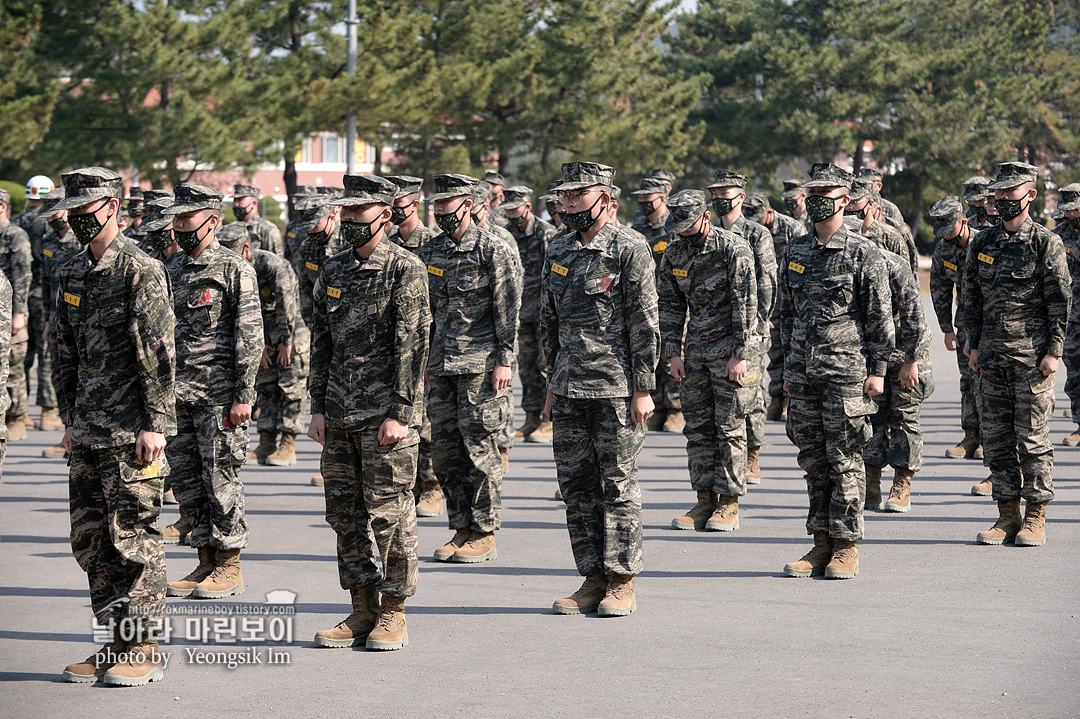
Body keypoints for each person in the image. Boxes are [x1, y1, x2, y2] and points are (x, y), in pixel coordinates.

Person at [52, 167, 176, 686]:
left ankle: (144, 646)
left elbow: (158, 355)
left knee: (133, 539)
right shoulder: (71, 271)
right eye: (72, 212)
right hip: (87, 430)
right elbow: (64, 352)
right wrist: (68, 419)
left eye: (86, 211)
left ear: (112, 208)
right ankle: (114, 642)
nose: (78, 220)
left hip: (131, 433)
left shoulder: (139, 270)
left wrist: (156, 423)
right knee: (91, 541)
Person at [307, 174, 429, 651]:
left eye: (360, 212)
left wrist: (400, 412)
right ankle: (362, 608)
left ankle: (393, 610)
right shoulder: (333, 270)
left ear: (385, 213)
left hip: (385, 418)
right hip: (338, 414)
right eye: (347, 212)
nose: (351, 220)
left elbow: (412, 347)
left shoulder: (405, 268)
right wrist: (316, 407)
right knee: (345, 515)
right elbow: (321, 343)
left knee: (390, 514)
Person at [542, 161, 659, 616]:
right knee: (576, 487)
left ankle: (622, 580)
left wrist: (643, 388)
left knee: (618, 486)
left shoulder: (630, 248)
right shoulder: (558, 248)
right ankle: (592, 577)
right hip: (569, 386)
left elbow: (644, 323)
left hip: (615, 388)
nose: (569, 204)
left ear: (606, 199)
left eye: (578, 195)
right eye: (564, 197)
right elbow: (551, 321)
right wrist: (551, 383)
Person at [779, 163, 893, 580]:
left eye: (826, 192)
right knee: (813, 460)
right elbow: (787, 317)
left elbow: (880, 318)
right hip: (804, 373)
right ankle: (820, 541)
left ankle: (846, 545)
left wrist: (878, 370)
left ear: (846, 199)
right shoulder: (795, 250)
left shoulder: (864, 253)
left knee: (844, 459)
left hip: (847, 373)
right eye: (812, 192)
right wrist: (788, 370)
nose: (816, 199)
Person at [162, 184, 263, 599]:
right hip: (177, 397)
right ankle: (204, 560)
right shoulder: (170, 270)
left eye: (188, 219)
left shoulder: (233, 269)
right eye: (178, 219)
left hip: (218, 397)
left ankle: (229, 564)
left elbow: (250, 336)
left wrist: (244, 395)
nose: (181, 226)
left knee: (221, 479)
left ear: (213, 220)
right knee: (188, 483)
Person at [966, 162, 1071, 547]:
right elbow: (971, 297)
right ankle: (1006, 515)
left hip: (1031, 360)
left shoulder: (1045, 243)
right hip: (991, 358)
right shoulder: (982, 243)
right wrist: (972, 344)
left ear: (1030, 195)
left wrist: (1054, 352)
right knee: (996, 439)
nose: (1003, 201)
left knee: (1033, 440)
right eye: (999, 195)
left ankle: (1036, 516)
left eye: (1011, 194)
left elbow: (1060, 302)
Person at [418, 174, 521, 564]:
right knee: (446, 454)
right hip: (442, 365)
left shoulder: (493, 248)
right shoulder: (433, 251)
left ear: (468, 205)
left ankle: (485, 532)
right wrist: (427, 361)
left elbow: (507, 309)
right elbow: (428, 311)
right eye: (437, 207)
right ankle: (460, 528)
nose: (441, 213)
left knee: (480, 451)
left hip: (481, 366)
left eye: (448, 206)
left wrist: (504, 360)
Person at [660, 190, 757, 532]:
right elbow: (670, 307)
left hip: (730, 351)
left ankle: (729, 503)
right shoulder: (674, 253)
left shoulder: (733, 249)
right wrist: (673, 352)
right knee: (698, 429)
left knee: (729, 427)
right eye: (679, 225)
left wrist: (740, 353)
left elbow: (747, 304)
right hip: (696, 352)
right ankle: (704, 501)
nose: (684, 231)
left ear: (705, 216)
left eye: (689, 223)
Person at [706, 170, 777, 486]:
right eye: (716, 195)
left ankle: (753, 454)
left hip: (749, 329)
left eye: (726, 194)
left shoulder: (756, 234)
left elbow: (767, 284)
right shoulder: (707, 234)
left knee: (752, 392)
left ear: (741, 198)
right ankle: (727, 458)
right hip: (714, 332)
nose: (721, 200)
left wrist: (756, 326)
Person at [221, 227, 307, 468]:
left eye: (233, 251)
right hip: (262, 334)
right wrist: (256, 346)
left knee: (290, 386)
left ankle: (287, 444)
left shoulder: (271, 265)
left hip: (289, 332)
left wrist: (286, 342)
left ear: (246, 248)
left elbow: (287, 306)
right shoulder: (231, 270)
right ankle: (266, 442)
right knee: (266, 386)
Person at [385, 175, 441, 513]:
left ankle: (431, 486)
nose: (394, 213)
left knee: (426, 421)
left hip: (426, 343)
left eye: (400, 206)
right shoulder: (386, 244)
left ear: (415, 204)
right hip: (389, 345)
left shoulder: (433, 244)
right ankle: (401, 486)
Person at [863, 248, 934, 513]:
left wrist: (911, 361)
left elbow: (915, 316)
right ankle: (871, 482)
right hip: (875, 353)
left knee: (904, 416)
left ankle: (902, 483)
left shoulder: (894, 266)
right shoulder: (850, 263)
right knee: (872, 416)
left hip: (907, 350)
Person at [928, 196, 986, 489]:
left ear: (964, 220)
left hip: (992, 324)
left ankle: (991, 439)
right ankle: (971, 435)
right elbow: (938, 288)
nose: (947, 235)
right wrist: (947, 329)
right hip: (965, 325)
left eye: (951, 228)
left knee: (989, 383)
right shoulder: (943, 249)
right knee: (967, 380)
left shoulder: (986, 242)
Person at [502, 185, 560, 444]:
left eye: (516, 209)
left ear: (527, 206)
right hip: (521, 312)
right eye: (508, 210)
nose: (512, 215)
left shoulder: (546, 233)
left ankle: (550, 421)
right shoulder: (507, 234)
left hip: (544, 311)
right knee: (526, 368)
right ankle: (531, 416)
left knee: (547, 366)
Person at [745, 192, 803, 422]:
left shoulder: (792, 229)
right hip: (765, 300)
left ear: (770, 212)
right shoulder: (749, 231)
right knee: (773, 351)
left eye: (758, 218)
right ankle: (776, 398)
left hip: (789, 299)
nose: (755, 223)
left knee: (791, 350)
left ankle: (790, 399)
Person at [630, 176, 679, 432]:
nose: (643, 204)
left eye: (647, 199)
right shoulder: (638, 227)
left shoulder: (673, 226)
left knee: (672, 355)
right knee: (651, 353)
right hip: (645, 299)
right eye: (640, 200)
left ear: (662, 198)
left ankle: (675, 409)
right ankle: (657, 407)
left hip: (670, 298)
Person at [0, 188, 33, 440]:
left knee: (13, 365)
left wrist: (19, 313)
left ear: (3, 207)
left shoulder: (15, 236)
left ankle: (17, 416)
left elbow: (22, 277)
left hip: (10, 310)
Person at [1054, 183, 1080, 446]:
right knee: (1074, 374)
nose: (1071, 215)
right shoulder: (1057, 236)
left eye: (1075, 210)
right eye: (1067, 211)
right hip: (1071, 317)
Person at [857, 168, 918, 276]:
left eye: (869, 184)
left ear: (879, 186)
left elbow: (901, 238)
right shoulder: (857, 204)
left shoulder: (890, 209)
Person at [228, 183, 284, 256]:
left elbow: (277, 262)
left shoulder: (267, 229)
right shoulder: (229, 228)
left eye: (240, 200)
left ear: (254, 203)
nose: (235, 204)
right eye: (234, 200)